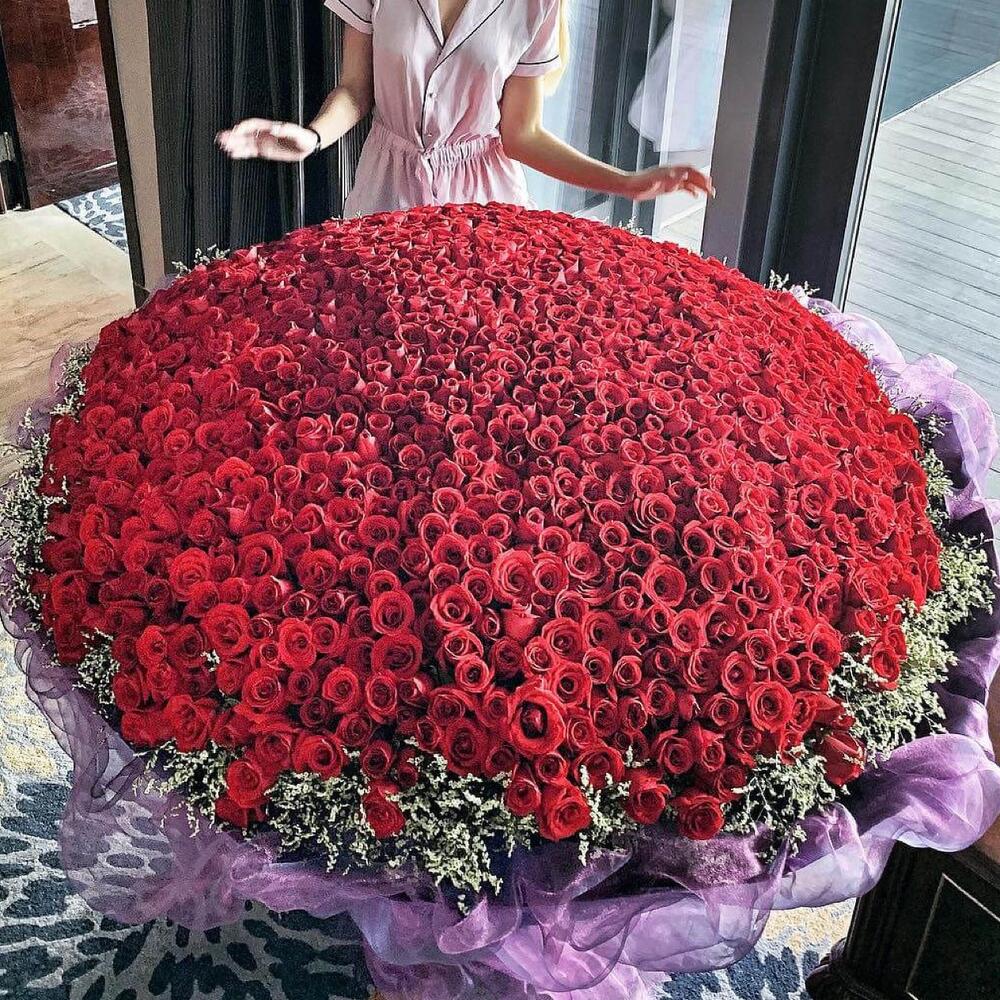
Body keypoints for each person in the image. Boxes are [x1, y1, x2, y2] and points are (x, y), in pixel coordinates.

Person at [217, 0, 713, 217]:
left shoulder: (537, 3)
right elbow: (355, 89)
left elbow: (521, 134)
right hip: (387, 188)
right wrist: (313, 137)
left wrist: (625, 182)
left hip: (487, 201)